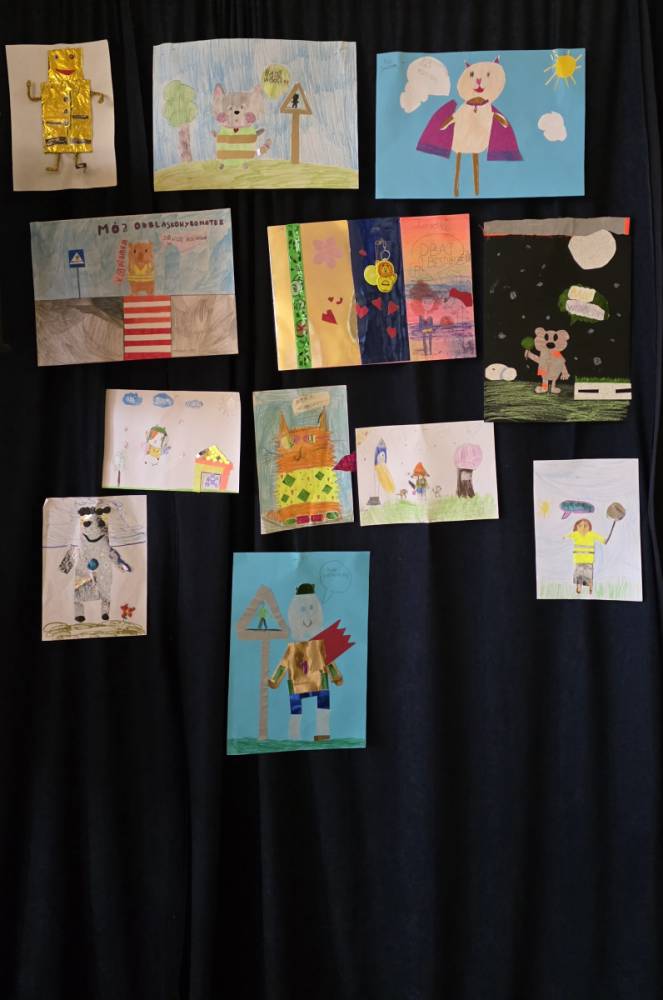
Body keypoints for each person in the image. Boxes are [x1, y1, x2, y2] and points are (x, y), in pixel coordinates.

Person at [563, 518, 606, 595]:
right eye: (580, 526)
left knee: (589, 575)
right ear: (576, 527)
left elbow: (601, 539)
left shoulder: (592, 534)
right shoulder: (575, 534)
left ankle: (590, 588)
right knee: (578, 575)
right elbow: (565, 537)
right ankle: (579, 587)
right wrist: (563, 537)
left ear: (589, 527)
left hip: (589, 560)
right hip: (578, 560)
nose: (583, 527)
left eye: (585, 526)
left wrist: (604, 541)